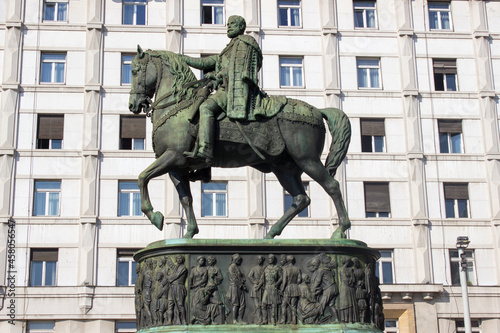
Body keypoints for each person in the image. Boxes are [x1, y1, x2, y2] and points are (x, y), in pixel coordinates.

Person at [180, 15, 263, 163]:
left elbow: (239, 68)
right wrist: (181, 58)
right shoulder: (227, 49)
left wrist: (219, 75)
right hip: (224, 89)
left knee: (206, 108)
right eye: (228, 24)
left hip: (233, 90)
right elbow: (203, 62)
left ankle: (205, 149)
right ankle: (204, 170)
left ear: (241, 27)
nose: (229, 26)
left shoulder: (245, 43)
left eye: (232, 24)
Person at [226, 253, 248, 324]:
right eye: (239, 260)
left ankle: (240, 319)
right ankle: (234, 320)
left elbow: (242, 276)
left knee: (242, 304)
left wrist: (242, 281)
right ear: (235, 259)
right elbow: (234, 278)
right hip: (234, 287)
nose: (240, 261)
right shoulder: (231, 267)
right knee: (235, 304)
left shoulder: (237, 267)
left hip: (239, 287)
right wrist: (241, 285)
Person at [248, 255, 265, 324]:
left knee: (263, 305)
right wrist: (255, 281)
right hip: (256, 288)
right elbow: (249, 276)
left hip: (263, 288)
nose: (259, 261)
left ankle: (264, 319)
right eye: (258, 259)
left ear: (262, 260)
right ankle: (259, 319)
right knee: (257, 305)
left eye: (260, 259)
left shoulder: (265, 268)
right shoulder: (254, 268)